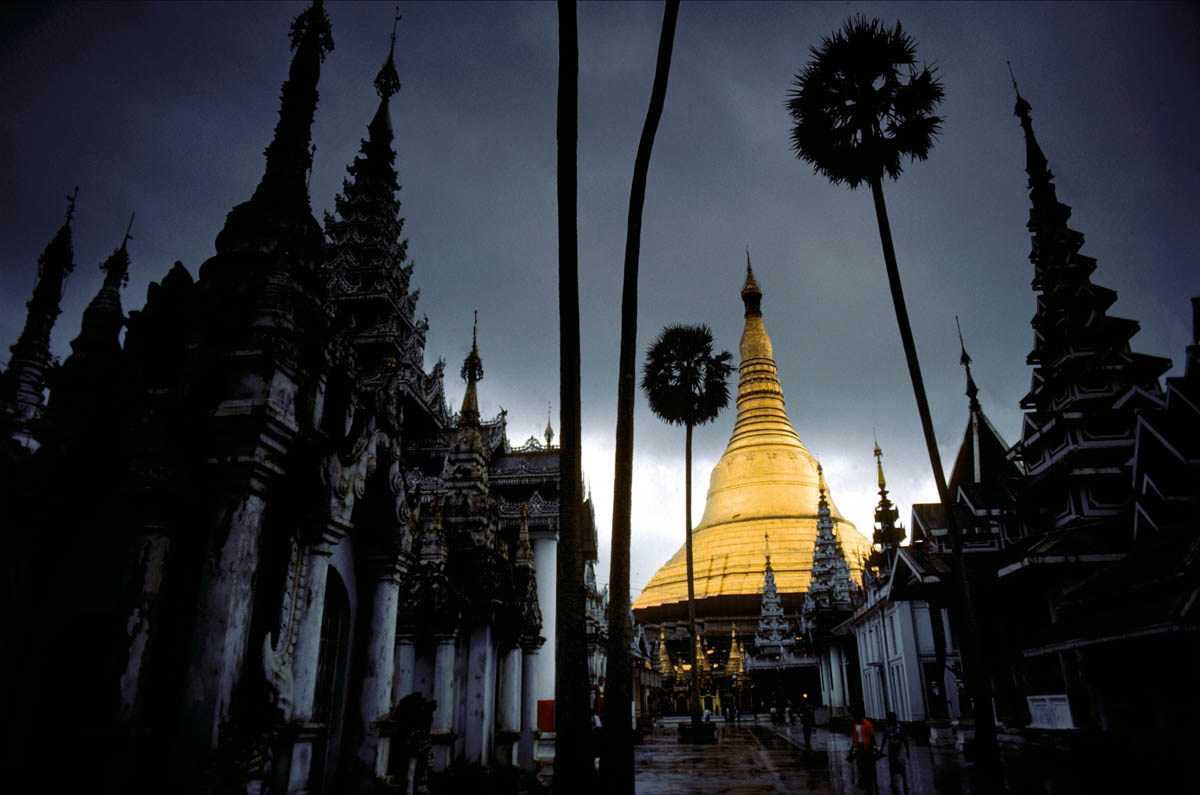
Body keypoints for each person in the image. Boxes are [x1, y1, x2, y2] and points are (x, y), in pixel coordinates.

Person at [879, 711, 910, 795]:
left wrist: (907, 751)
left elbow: (904, 739)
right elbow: (884, 739)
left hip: (899, 748)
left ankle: (904, 783)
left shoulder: (899, 727)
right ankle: (894, 783)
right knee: (892, 766)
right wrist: (881, 750)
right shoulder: (888, 727)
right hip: (891, 749)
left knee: (901, 765)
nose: (887, 720)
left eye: (888, 718)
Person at [848, 708, 878, 794]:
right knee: (860, 764)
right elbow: (855, 738)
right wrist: (852, 749)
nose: (855, 719)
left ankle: (871, 782)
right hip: (860, 746)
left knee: (869, 765)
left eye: (856, 717)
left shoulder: (868, 724)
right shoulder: (855, 725)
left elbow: (872, 736)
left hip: (867, 746)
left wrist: (874, 748)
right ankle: (863, 781)